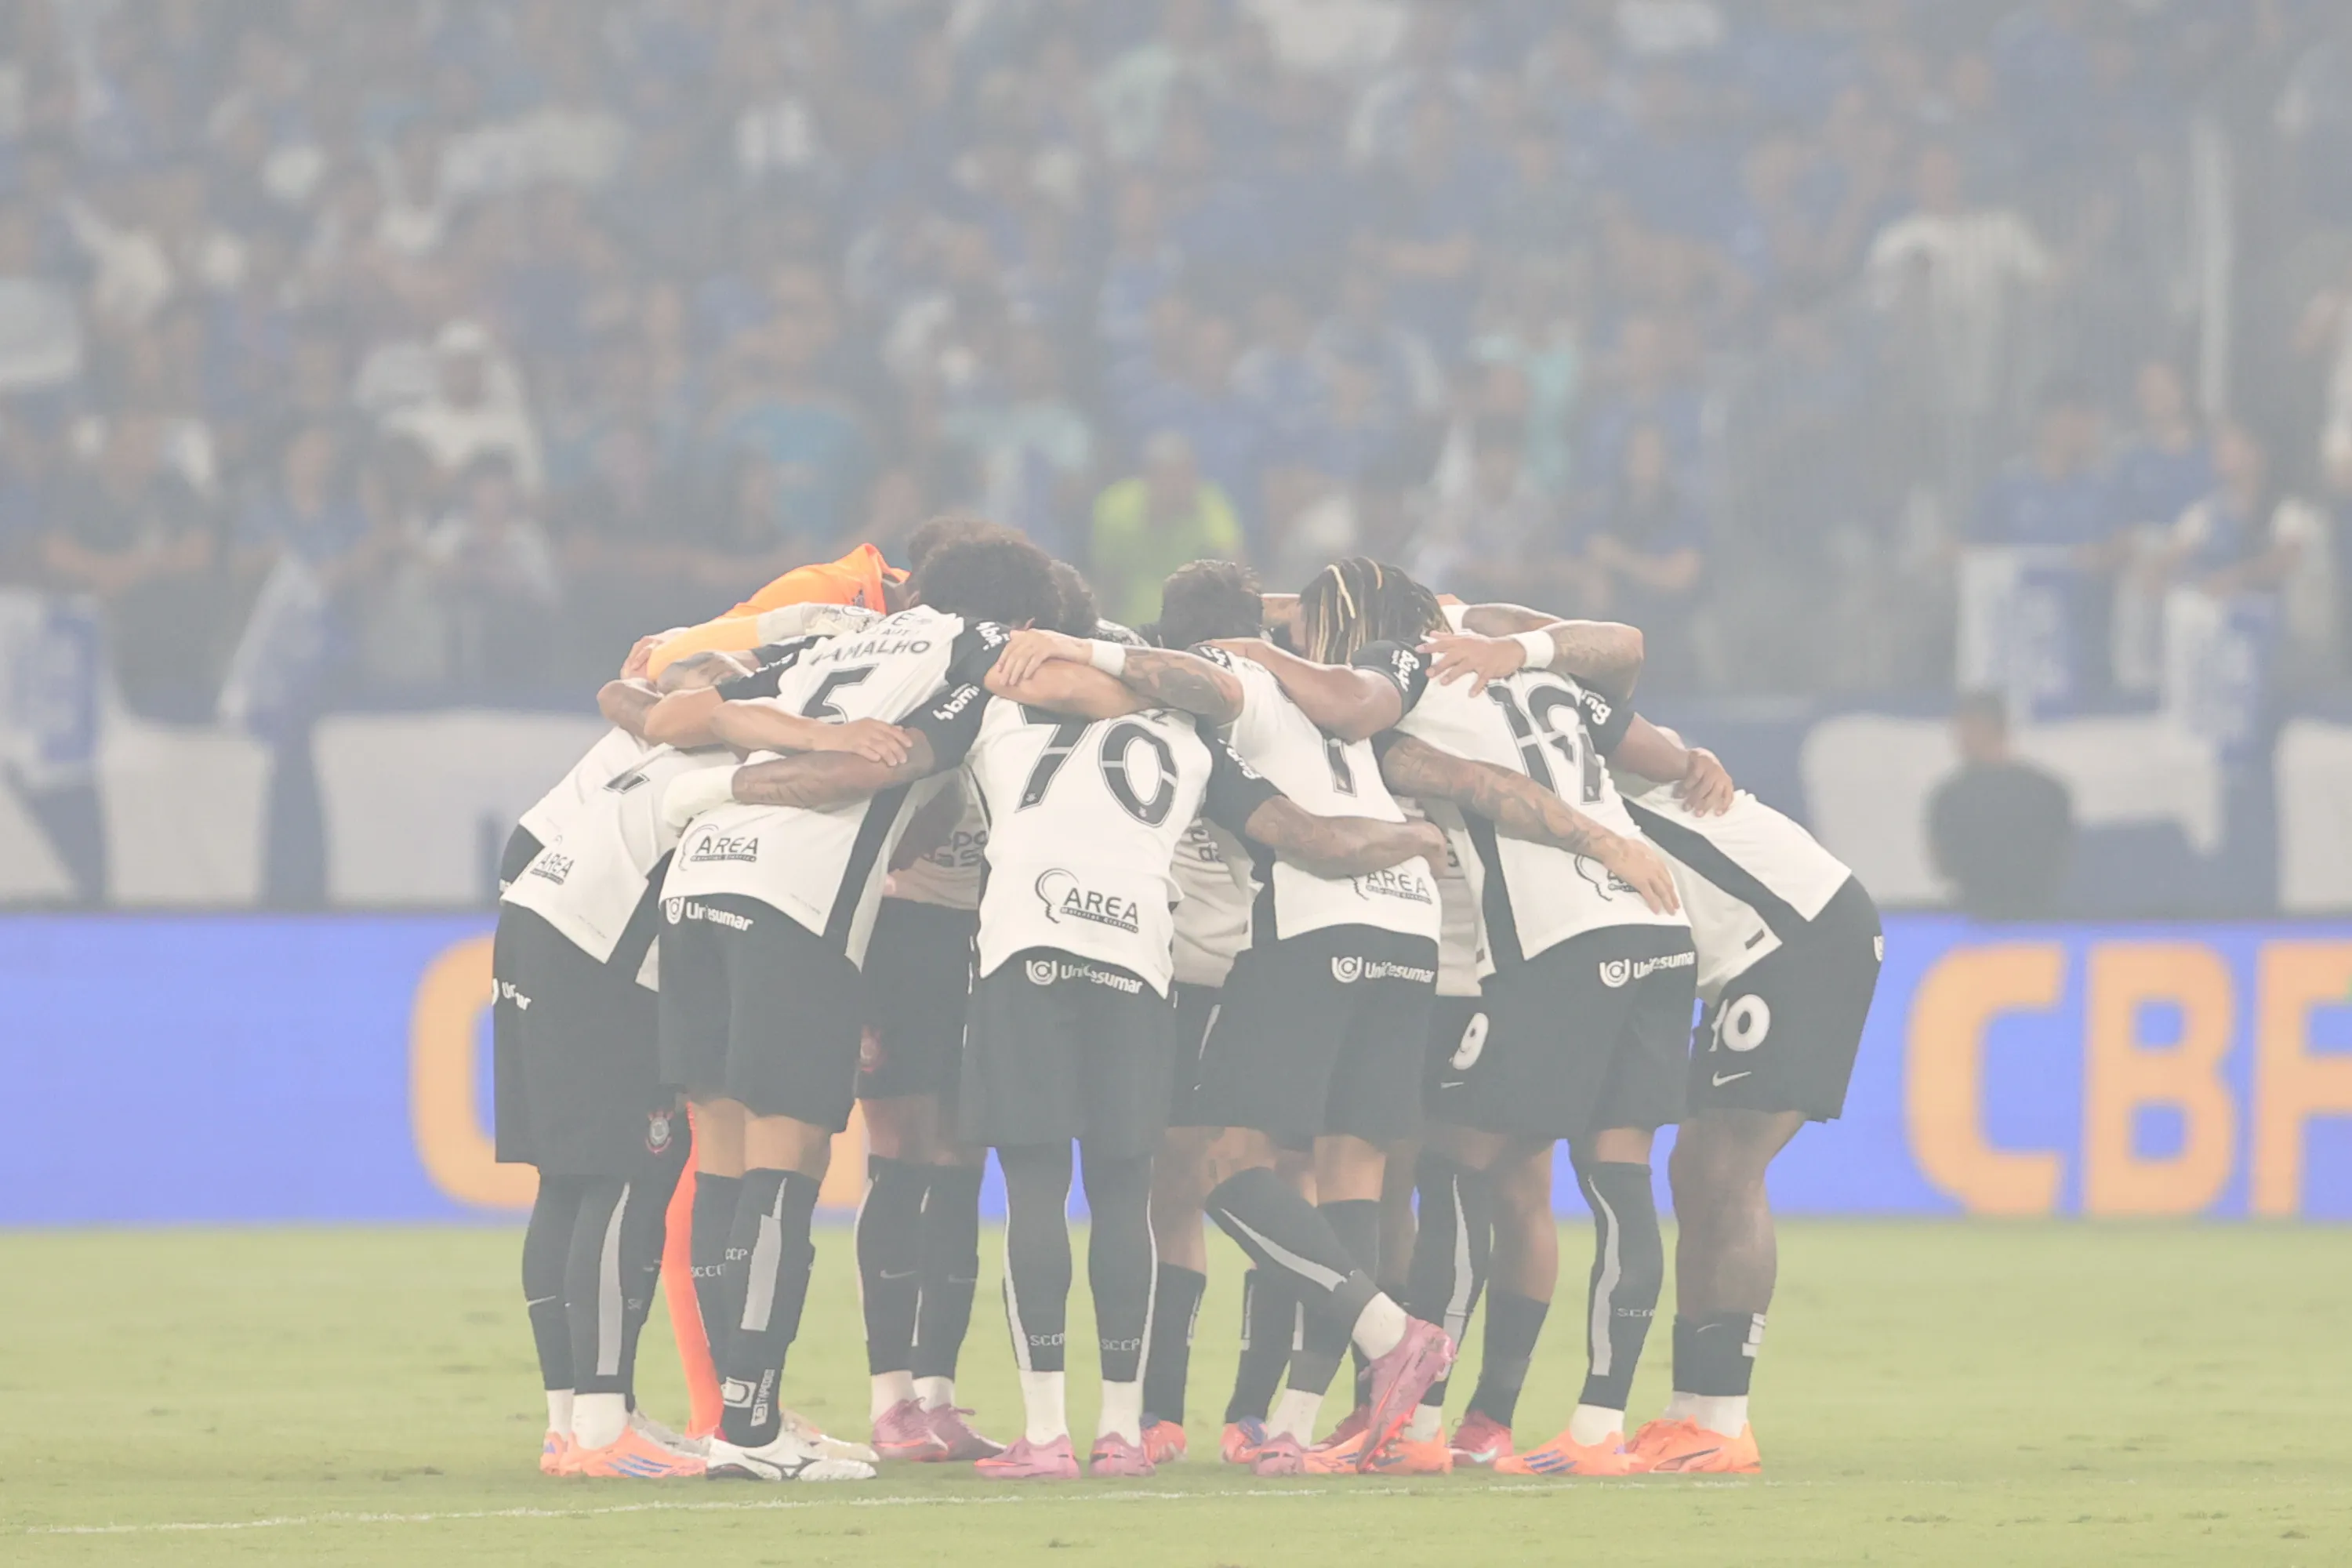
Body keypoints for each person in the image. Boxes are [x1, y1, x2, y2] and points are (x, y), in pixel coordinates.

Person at [642, 532, 1115, 1483]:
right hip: (797, 906)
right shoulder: (975, 655)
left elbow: (665, 704)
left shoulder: (836, 641)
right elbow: (892, 769)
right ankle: (752, 1426)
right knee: (792, 1154)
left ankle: (731, 1414)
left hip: (695, 887)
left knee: (727, 1156)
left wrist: (710, 778)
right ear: (1021, 623)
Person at [960, 610, 1449, 1480]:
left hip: (1130, 941)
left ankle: (1064, 1431)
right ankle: (1215, 1426)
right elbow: (1320, 825)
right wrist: (1412, 840)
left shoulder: (1020, 703)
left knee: (1153, 1176)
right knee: (1278, 1181)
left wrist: (1082, 651)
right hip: (1202, 951)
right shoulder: (1230, 727)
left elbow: (1067, 684)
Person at [1291, 560, 1699, 1478]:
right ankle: (1588, 1428)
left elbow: (1475, 785)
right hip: (1659, 932)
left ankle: (1419, 1422)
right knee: (1613, 1181)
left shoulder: (1398, 683)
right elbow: (1626, 647)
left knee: (1455, 1162)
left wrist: (1599, 837)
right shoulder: (1528, 667)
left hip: (1556, 945)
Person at [1610, 731, 1883, 1475]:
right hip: (1752, 955)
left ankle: (1725, 1422)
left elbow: (1610, 672)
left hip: (1797, 940)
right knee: (1697, 1170)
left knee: (1728, 1170)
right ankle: (1689, 1412)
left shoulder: (1580, 727)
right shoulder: (1570, 745)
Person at [1926, 691, 2074, 919]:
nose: (1958, 738)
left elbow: (1943, 865)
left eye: (1965, 728)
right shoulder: (2050, 790)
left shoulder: (1950, 798)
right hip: (2038, 922)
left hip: (1986, 920)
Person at [1087, 431, 1244, 626]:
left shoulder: (1208, 503)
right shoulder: (1115, 507)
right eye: (1170, 475)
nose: (1180, 485)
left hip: (1192, 624)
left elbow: (1235, 569)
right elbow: (1106, 579)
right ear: (1150, 476)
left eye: (1187, 474)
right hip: (1129, 624)